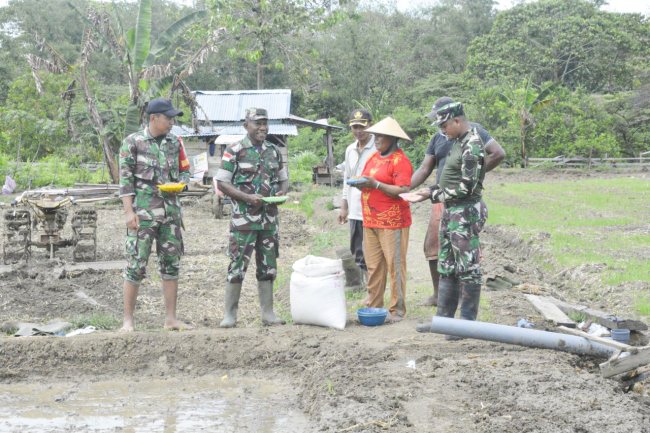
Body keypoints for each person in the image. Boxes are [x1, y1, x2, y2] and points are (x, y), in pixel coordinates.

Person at [410, 97, 505, 307]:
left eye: (442, 121)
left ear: (455, 120)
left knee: (464, 255)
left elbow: (497, 154)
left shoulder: (474, 136)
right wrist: (406, 188)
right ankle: (442, 301)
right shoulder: (441, 138)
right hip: (443, 198)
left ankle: (464, 308)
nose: (440, 126)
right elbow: (425, 168)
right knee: (438, 249)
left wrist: (475, 175)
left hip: (461, 202)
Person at [118, 97, 193, 332]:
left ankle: (171, 319)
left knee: (171, 265)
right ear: (153, 118)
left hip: (170, 215)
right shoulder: (133, 142)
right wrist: (129, 213)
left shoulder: (175, 142)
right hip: (143, 215)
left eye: (172, 118)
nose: (172, 122)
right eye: (168, 118)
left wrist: (182, 184)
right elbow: (125, 181)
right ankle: (128, 321)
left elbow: (185, 171)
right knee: (136, 265)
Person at [215, 107, 288, 328]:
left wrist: (282, 192)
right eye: (257, 123)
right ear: (246, 125)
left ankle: (268, 314)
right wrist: (247, 197)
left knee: (268, 266)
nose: (263, 127)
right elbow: (222, 183)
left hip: (269, 221)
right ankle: (230, 315)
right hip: (243, 221)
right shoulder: (234, 150)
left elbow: (284, 180)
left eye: (265, 123)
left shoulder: (274, 151)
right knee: (237, 265)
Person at [351, 117, 413, 323]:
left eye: (380, 136)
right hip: (371, 221)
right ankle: (374, 303)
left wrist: (376, 185)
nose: (376, 139)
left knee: (395, 265)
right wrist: (363, 184)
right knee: (374, 266)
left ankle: (397, 309)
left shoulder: (400, 161)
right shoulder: (374, 158)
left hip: (392, 222)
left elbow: (403, 190)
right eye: (375, 136)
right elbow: (367, 179)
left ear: (393, 139)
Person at [338, 109, 376, 285]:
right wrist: (344, 206)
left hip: (373, 209)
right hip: (354, 209)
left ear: (370, 125)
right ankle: (370, 290)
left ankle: (374, 292)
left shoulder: (378, 147)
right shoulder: (350, 150)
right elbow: (347, 179)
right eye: (355, 127)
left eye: (362, 126)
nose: (358, 131)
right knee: (358, 252)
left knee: (374, 253)